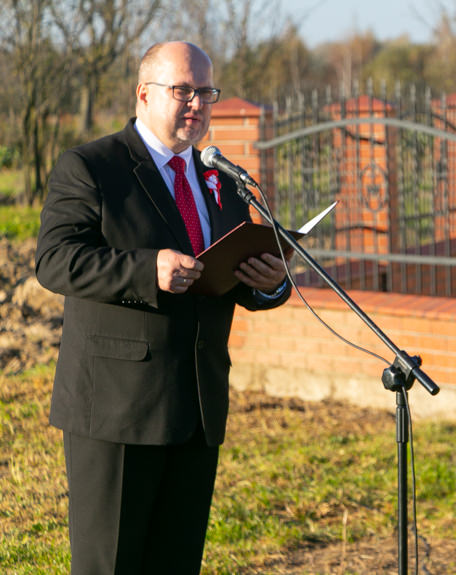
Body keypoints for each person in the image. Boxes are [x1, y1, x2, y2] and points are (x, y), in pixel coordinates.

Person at [35, 41, 291, 575]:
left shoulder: (219, 176)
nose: (197, 103)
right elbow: (56, 262)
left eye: (206, 92)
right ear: (143, 94)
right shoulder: (91, 166)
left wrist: (267, 284)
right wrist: (144, 270)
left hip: (196, 406)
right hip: (117, 409)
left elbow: (224, 272)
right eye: (183, 91)